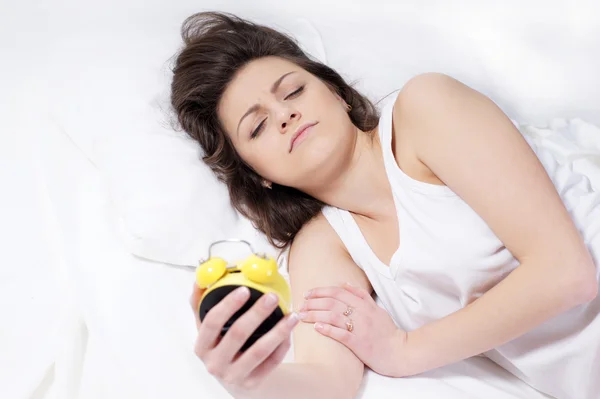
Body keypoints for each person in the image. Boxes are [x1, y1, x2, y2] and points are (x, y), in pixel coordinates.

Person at [170, 11, 600, 399]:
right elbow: (328, 383)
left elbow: (567, 273)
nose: (285, 115)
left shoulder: (425, 109)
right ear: (257, 174)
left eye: (295, 91)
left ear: (336, 92)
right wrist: (246, 380)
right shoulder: (323, 246)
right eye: (258, 126)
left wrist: (404, 350)